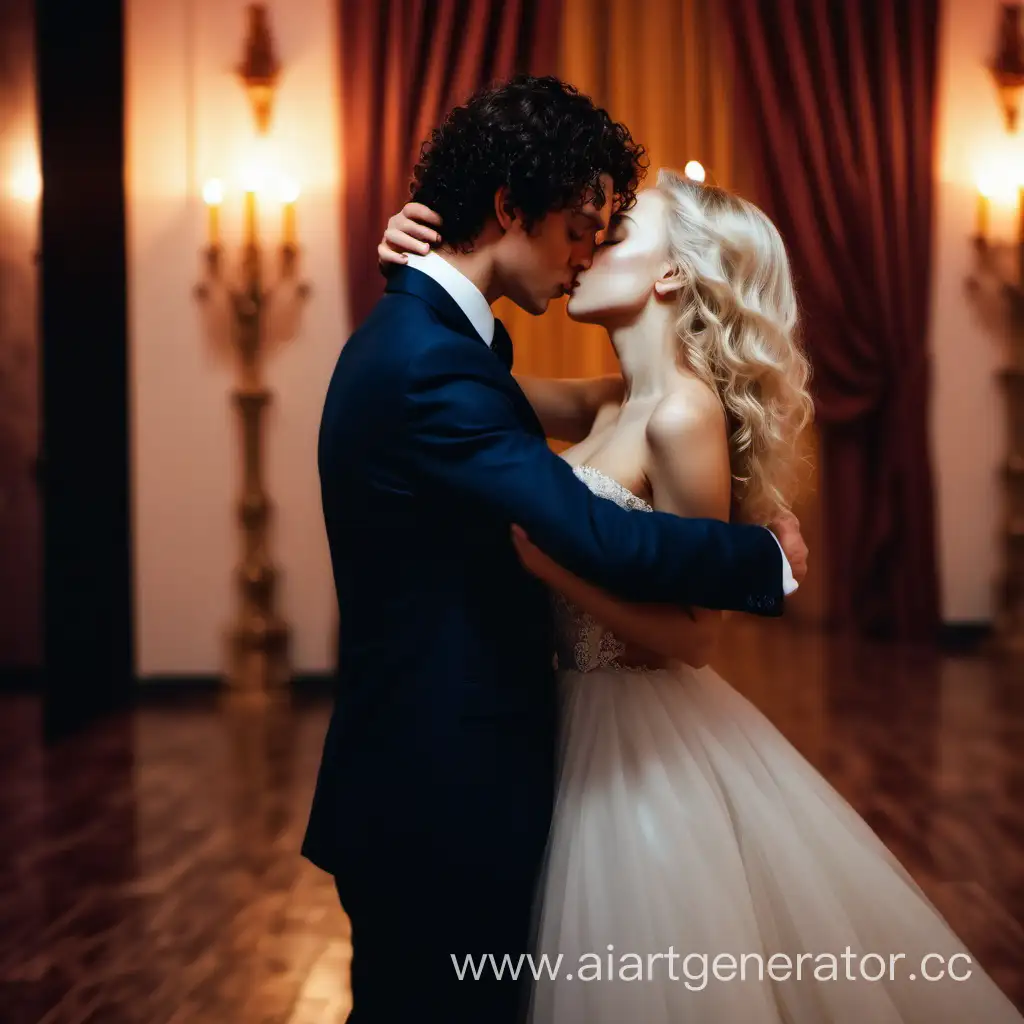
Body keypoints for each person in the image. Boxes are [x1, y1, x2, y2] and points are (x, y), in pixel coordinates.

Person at [383, 171, 1024, 1021]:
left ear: (672, 274)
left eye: (612, 234)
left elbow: (694, 638)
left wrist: (550, 571)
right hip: (565, 716)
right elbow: (457, 378)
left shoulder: (682, 417)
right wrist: (421, 265)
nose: (586, 245)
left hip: (640, 736)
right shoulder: (611, 400)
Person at [304, 74, 807, 1024]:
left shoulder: (443, 350)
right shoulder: (432, 362)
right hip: (442, 795)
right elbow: (583, 526)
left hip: (530, 767)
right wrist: (757, 560)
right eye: (585, 227)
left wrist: (424, 270)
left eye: (611, 234)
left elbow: (499, 398)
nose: (587, 253)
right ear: (509, 206)